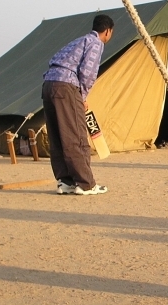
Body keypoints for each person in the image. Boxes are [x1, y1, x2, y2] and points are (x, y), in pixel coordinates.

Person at [42, 14, 114, 195]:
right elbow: (88, 73)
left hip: (49, 84)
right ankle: (85, 183)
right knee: (75, 133)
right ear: (107, 31)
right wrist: (82, 97)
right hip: (66, 86)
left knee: (58, 134)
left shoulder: (78, 41)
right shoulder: (96, 43)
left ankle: (65, 182)